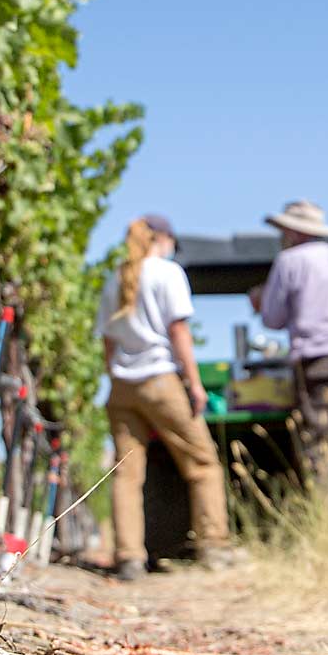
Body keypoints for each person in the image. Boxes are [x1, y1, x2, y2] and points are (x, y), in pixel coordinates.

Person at [97, 214, 236, 580]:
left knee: (127, 475)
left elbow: (107, 342)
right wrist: (193, 383)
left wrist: (117, 375)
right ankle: (214, 547)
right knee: (203, 464)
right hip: (160, 381)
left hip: (123, 386)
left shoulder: (116, 277)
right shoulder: (167, 272)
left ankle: (128, 557)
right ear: (164, 239)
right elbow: (178, 331)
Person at [248, 199, 328, 487]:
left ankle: (324, 517)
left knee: (318, 446)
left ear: (294, 232)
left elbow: (273, 317)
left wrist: (260, 299)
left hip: (319, 359)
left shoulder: (289, 261)